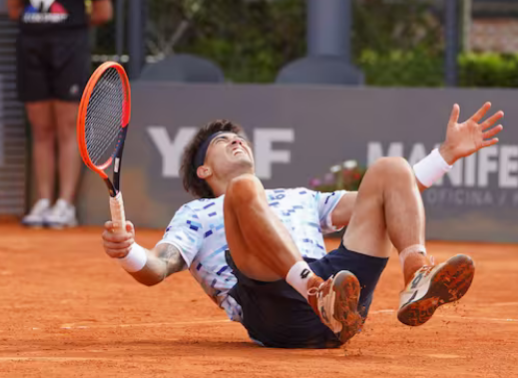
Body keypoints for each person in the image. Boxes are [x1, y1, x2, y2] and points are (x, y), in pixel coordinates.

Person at [101, 102, 504, 348]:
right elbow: (157, 269)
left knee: (390, 169)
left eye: (239, 138)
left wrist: (446, 155)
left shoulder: (296, 196)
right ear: (203, 169)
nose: (237, 141)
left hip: (341, 298)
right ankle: (312, 289)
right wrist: (128, 252)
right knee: (245, 191)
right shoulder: (195, 214)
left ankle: (416, 277)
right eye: (223, 141)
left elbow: (387, 197)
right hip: (273, 307)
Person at [5, 0, 113, 229]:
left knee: (68, 127)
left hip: (71, 51)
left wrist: (69, 25)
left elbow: (103, 10)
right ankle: (42, 202)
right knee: (41, 128)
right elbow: (12, 8)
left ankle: (65, 205)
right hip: (32, 50)